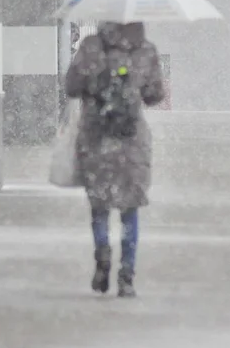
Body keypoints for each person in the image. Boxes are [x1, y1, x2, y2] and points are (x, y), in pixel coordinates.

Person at [66, 22, 165, 297]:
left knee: (99, 206)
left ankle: (102, 253)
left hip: (96, 138)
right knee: (129, 210)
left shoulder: (90, 47)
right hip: (131, 140)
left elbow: (71, 87)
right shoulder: (145, 50)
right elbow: (155, 96)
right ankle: (127, 275)